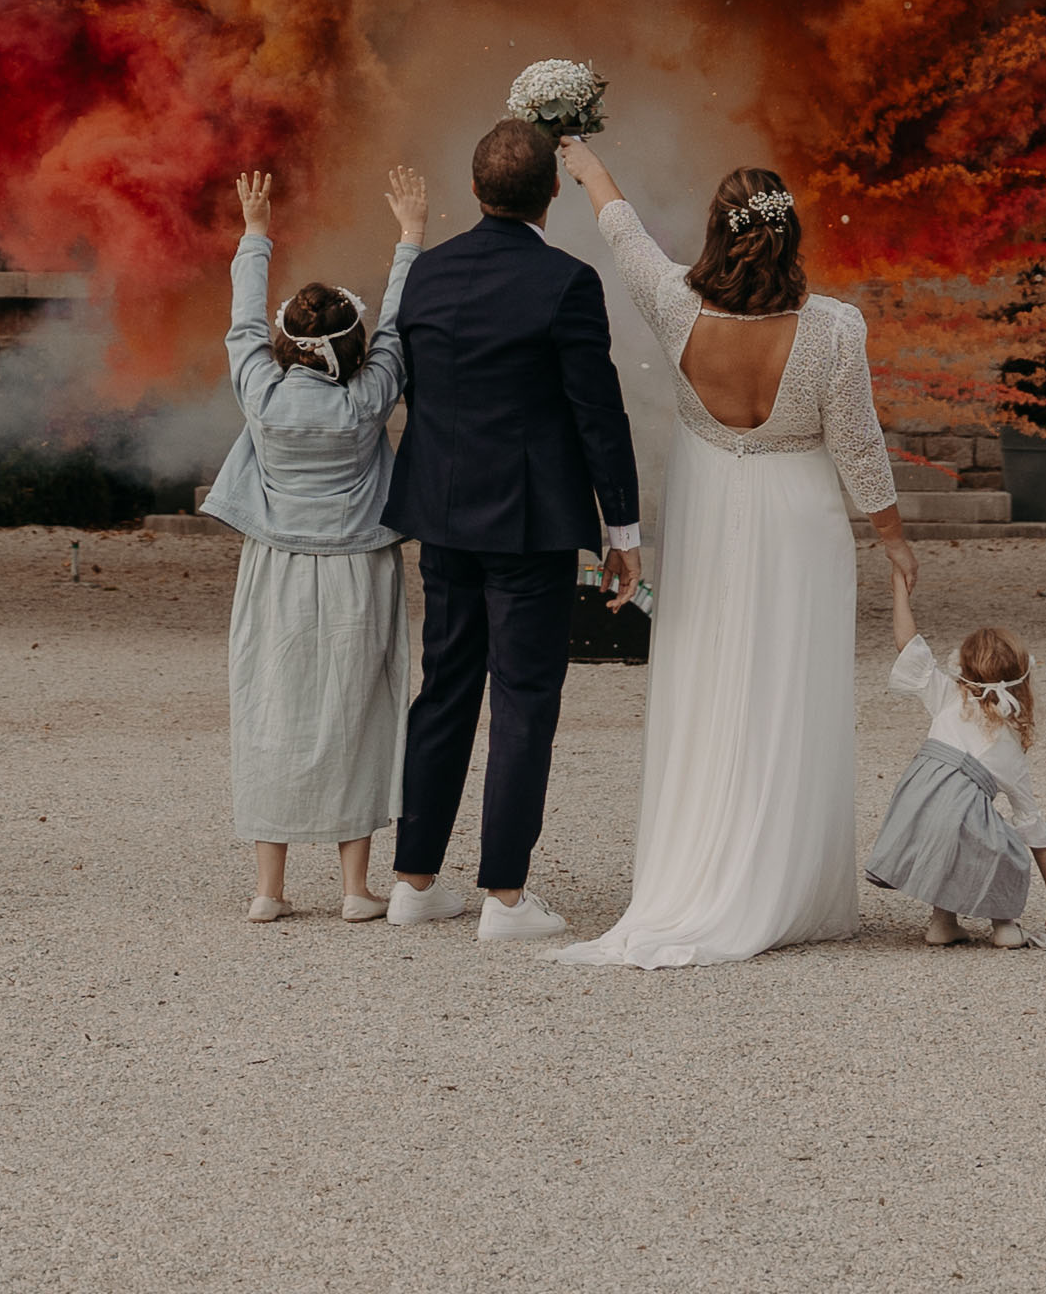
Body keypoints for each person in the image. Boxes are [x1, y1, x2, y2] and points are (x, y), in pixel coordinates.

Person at [547, 134, 917, 968]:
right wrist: (892, 541)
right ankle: (786, 885)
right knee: (791, 684)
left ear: (717, 233)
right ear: (789, 237)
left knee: (710, 679)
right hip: (802, 519)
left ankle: (695, 867)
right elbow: (859, 447)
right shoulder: (832, 332)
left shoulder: (675, 304)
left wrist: (590, 163)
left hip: (712, 506)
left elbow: (624, 233)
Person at [377, 98, 645, 940]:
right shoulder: (567, 282)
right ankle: (504, 897)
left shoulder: (425, 274)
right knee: (525, 700)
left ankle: (414, 880)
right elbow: (597, 414)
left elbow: (418, 389)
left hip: (445, 514)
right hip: (529, 523)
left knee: (443, 692)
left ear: (472, 189)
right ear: (549, 198)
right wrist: (624, 532)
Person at [205, 162, 427, 922]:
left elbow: (241, 323)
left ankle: (270, 890)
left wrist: (256, 233)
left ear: (286, 345)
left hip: (275, 568)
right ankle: (354, 889)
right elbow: (397, 329)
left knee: (272, 708)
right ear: (350, 345)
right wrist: (410, 239)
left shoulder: (260, 395)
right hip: (359, 569)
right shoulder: (369, 398)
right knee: (356, 711)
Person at [866, 584, 1046, 949]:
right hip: (951, 819)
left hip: (912, 813)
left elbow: (909, 646)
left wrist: (899, 586)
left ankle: (943, 922)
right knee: (1003, 848)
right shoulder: (1008, 746)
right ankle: (1004, 925)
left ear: (963, 671)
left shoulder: (948, 697)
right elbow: (1032, 825)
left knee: (957, 835)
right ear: (1023, 680)